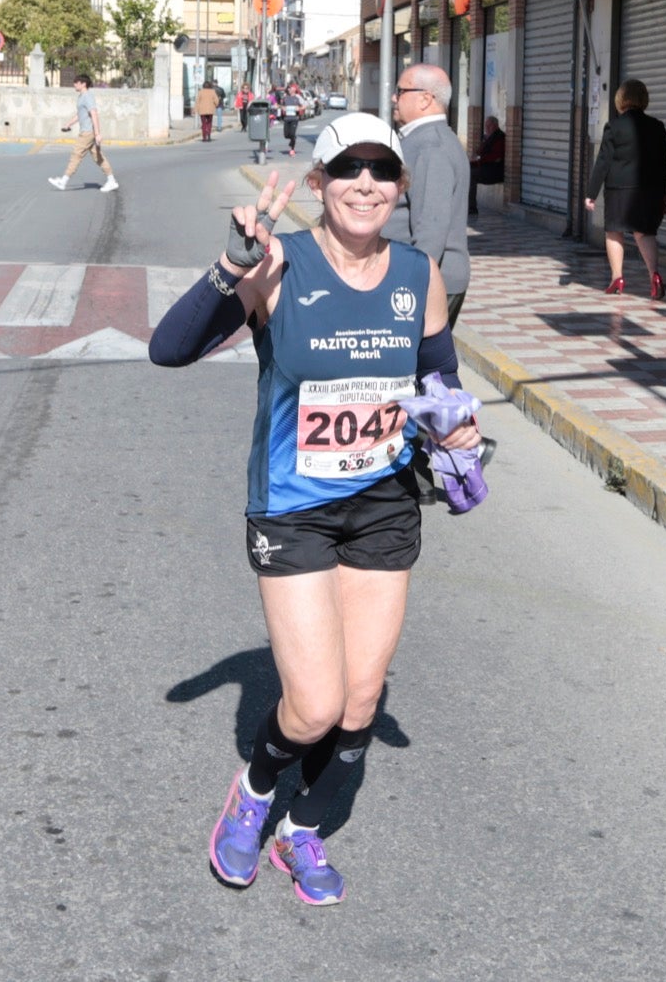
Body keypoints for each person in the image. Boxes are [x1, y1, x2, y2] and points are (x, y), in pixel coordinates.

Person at [148, 110, 480, 906]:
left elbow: (440, 380)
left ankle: (300, 830)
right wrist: (232, 264)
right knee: (316, 703)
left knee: (361, 699)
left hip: (384, 505)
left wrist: (456, 423)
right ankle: (256, 788)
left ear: (398, 188)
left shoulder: (416, 277)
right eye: (348, 169)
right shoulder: (279, 265)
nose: (364, 184)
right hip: (294, 507)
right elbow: (170, 348)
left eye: (381, 170)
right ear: (321, 182)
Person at [387, 64, 471, 328]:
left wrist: (411, 285)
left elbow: (431, 230)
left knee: (415, 366)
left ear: (425, 98)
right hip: (419, 280)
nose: (393, 98)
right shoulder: (422, 140)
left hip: (425, 284)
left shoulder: (431, 146)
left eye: (400, 91)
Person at [584, 80, 666, 298]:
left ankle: (617, 278)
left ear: (620, 99)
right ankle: (654, 275)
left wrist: (591, 194)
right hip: (648, 188)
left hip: (618, 188)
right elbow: (664, 163)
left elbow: (603, 161)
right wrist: (663, 193)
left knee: (614, 231)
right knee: (644, 232)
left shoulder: (614, 126)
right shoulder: (657, 127)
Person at [47, 73, 118, 192]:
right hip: (88, 132)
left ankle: (63, 181)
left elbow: (94, 114)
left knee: (76, 155)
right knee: (98, 157)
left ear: (83, 84)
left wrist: (97, 133)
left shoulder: (87, 96)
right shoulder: (81, 97)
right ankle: (111, 181)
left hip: (87, 132)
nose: (74, 84)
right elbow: (80, 114)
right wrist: (69, 124)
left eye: (76, 82)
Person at [469, 115, 505, 217]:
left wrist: (478, 159)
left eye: (489, 126)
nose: (487, 128)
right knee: (464, 171)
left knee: (471, 175)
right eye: (486, 126)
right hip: (486, 168)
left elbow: (495, 157)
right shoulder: (488, 138)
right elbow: (479, 153)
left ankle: (471, 208)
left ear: (496, 125)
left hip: (495, 171)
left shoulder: (500, 138)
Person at [281, 84, 303, 157]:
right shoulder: (285, 98)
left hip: (294, 118)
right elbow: (281, 105)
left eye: (290, 88)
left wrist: (299, 108)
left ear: (294, 89)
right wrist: (282, 108)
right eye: (288, 89)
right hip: (287, 118)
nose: (289, 90)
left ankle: (292, 149)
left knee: (292, 134)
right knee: (286, 135)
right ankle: (292, 139)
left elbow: (305, 105)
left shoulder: (297, 97)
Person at [195, 78, 219, 142]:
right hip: (210, 110)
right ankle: (209, 135)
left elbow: (197, 101)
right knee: (209, 123)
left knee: (204, 124)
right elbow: (216, 100)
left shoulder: (200, 92)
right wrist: (216, 105)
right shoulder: (212, 91)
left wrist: (196, 110)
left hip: (202, 110)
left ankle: (204, 137)